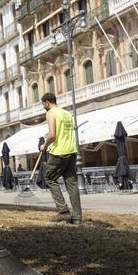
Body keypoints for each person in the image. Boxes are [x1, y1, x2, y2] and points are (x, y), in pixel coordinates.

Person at [39, 93, 82, 224]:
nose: (43, 107)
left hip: (59, 152)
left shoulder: (51, 113)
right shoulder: (67, 113)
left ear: (47, 102)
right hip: (71, 150)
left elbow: (52, 135)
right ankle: (77, 217)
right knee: (72, 183)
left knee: (49, 178)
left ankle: (63, 211)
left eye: (43, 104)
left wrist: (44, 146)